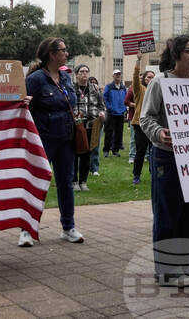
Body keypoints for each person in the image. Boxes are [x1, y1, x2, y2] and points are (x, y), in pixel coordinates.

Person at [140, 36, 189, 286]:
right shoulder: (160, 82)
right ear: (177, 54)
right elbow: (146, 118)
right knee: (167, 213)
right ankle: (167, 270)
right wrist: (159, 133)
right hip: (167, 157)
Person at [26, 37, 84, 245]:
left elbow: (72, 102)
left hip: (66, 139)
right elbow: (24, 108)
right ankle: (27, 230)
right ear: (52, 54)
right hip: (44, 139)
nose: (66, 53)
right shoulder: (35, 80)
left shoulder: (66, 78)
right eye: (63, 50)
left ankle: (68, 227)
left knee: (65, 184)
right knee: (37, 182)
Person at [71, 65, 105, 196]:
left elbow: (102, 106)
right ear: (76, 75)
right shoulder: (71, 89)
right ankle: (74, 182)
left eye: (86, 71)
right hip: (76, 125)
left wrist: (102, 114)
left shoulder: (95, 89)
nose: (84, 74)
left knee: (87, 153)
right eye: (81, 72)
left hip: (91, 125)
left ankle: (83, 182)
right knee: (74, 154)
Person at [128, 57, 155, 185]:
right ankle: (136, 176)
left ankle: (153, 174)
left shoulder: (157, 90)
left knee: (154, 151)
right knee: (141, 151)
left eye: (152, 77)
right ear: (144, 79)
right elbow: (134, 78)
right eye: (148, 77)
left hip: (154, 125)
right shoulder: (139, 90)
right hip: (140, 125)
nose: (150, 79)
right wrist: (138, 61)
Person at [102, 69, 127, 157]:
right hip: (111, 113)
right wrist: (110, 108)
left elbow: (126, 99)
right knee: (109, 132)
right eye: (116, 75)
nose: (118, 76)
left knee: (119, 133)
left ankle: (115, 150)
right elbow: (105, 98)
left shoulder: (123, 87)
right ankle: (106, 150)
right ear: (113, 76)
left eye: (119, 75)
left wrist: (124, 108)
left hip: (120, 113)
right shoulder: (109, 86)